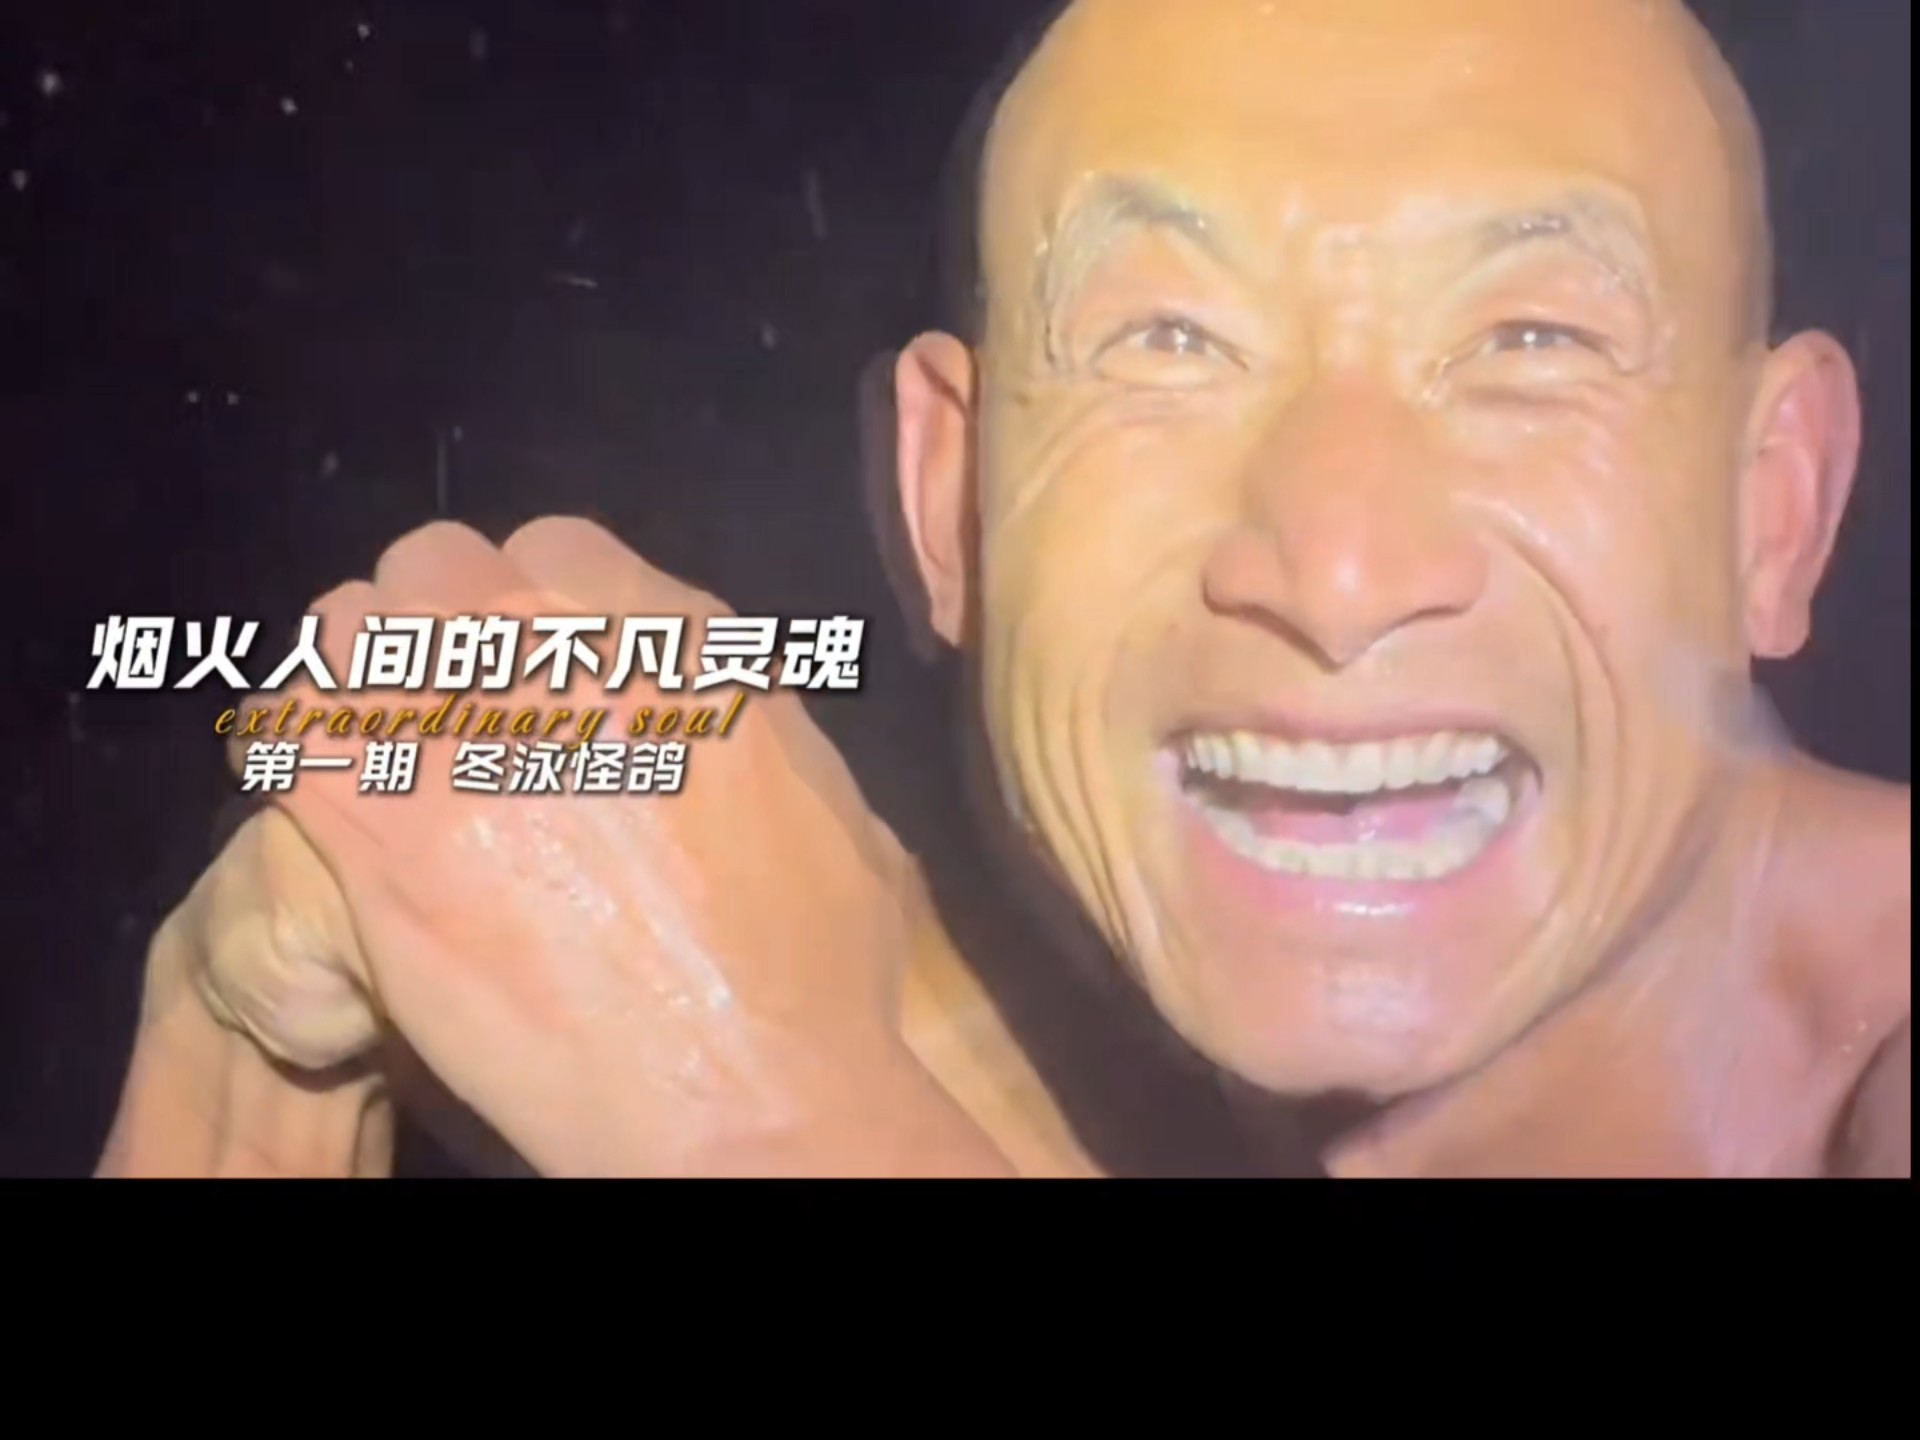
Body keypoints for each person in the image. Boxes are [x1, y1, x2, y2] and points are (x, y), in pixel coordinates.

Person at [98, 0, 1908, 1178]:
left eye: (1530, 344)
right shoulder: (1013, 1058)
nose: (1339, 571)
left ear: (1774, 509)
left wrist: (755, 1116)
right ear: (950, 504)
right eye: (1164, 341)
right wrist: (245, 1047)